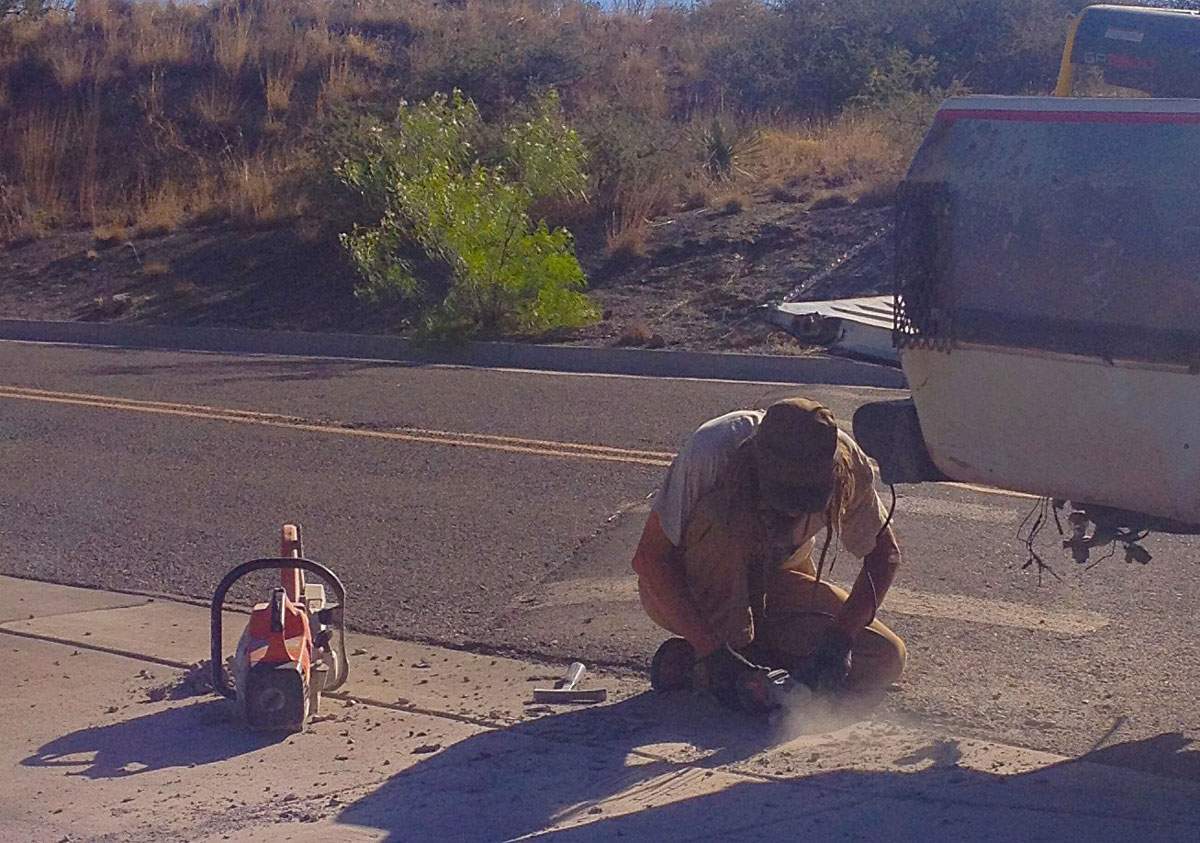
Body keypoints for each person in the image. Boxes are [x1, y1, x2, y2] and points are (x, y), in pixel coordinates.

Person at [632, 397, 906, 714]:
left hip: (777, 589)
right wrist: (714, 652)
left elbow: (884, 555)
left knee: (884, 658)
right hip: (696, 587)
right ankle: (717, 656)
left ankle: (722, 665)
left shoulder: (845, 461)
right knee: (722, 521)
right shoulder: (713, 449)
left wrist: (838, 642)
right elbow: (650, 559)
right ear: (755, 461)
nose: (791, 510)